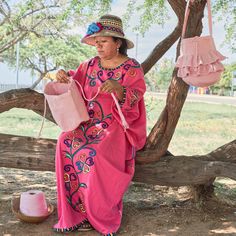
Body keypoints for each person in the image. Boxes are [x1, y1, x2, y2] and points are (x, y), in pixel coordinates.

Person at [53, 14, 147, 235]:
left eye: (103, 41)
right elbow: (75, 81)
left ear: (118, 43)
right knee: (64, 141)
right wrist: (64, 76)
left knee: (93, 154)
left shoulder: (131, 67)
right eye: (96, 41)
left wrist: (120, 89)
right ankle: (75, 214)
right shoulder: (89, 65)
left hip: (115, 126)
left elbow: (138, 94)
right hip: (87, 124)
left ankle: (100, 214)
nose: (98, 45)